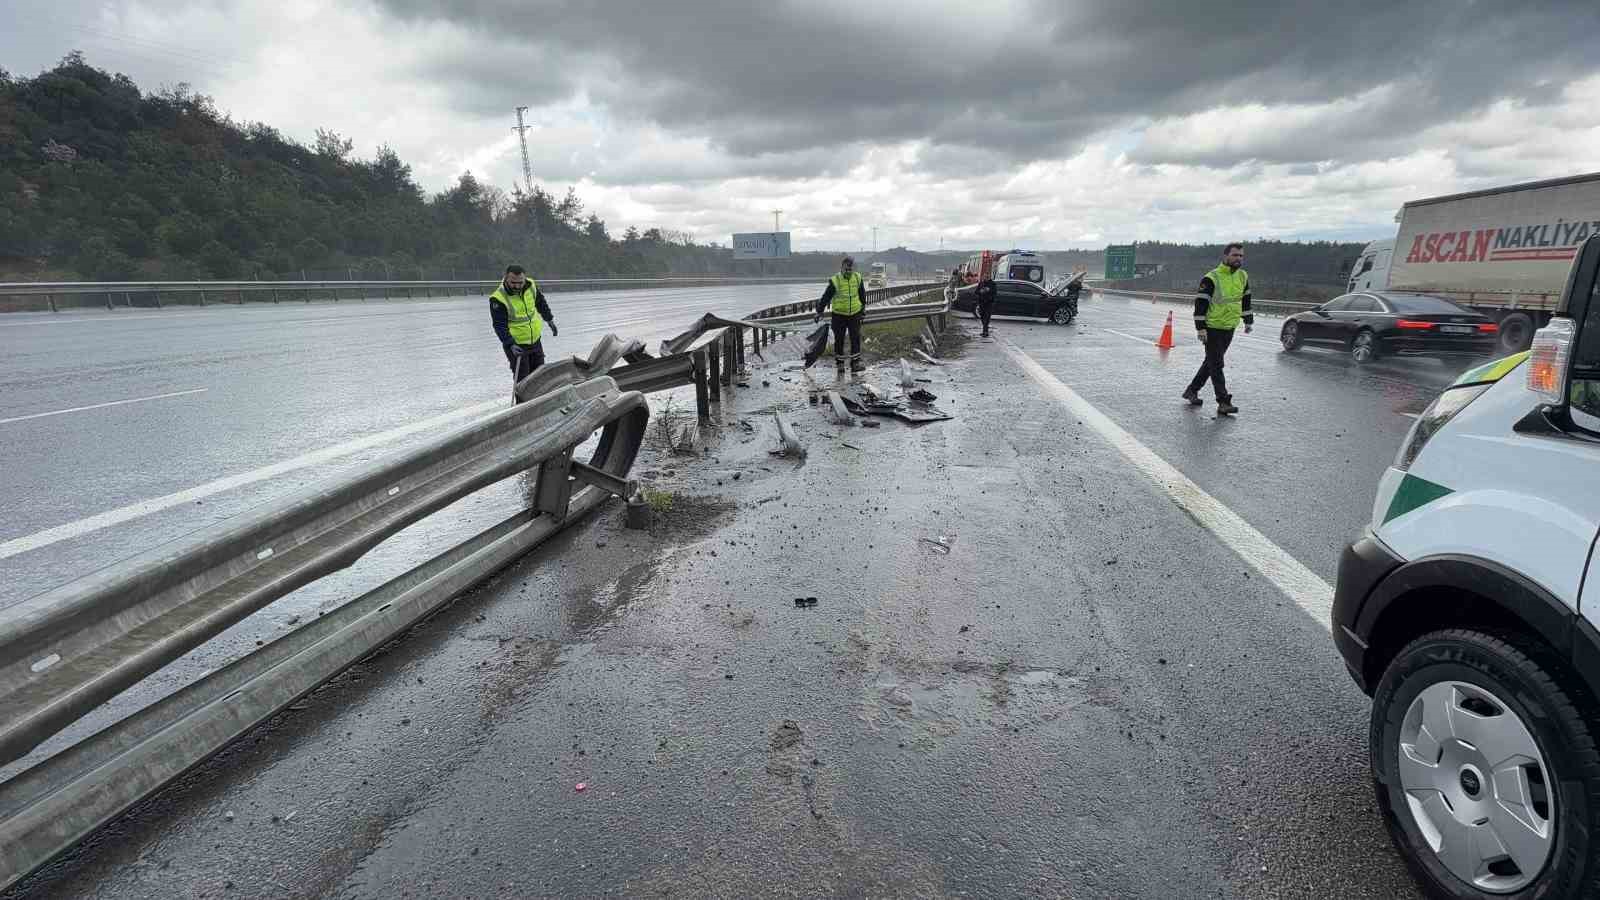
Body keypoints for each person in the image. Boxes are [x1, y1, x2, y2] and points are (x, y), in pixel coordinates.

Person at [1183, 243, 1252, 415]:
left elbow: (1245, 300)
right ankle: (1223, 401)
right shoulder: (1211, 278)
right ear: (1226, 256)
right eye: (1235, 255)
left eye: (1241, 256)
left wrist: (1248, 320)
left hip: (1229, 326)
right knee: (1217, 364)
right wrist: (1200, 328)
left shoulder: (1243, 276)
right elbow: (1200, 305)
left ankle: (1192, 390)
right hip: (1212, 327)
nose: (1238, 259)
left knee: (1211, 363)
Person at [489, 264, 558, 388]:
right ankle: (522, 405)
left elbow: (540, 302)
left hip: (535, 340)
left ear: (524, 279)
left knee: (540, 377)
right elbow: (499, 325)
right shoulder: (498, 298)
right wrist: (510, 344)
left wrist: (549, 319)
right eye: (513, 282)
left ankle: (541, 404)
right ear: (506, 278)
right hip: (517, 346)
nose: (517, 286)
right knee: (523, 382)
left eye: (520, 282)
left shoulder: (530, 285)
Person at [814, 256, 867, 373]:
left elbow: (862, 295)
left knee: (855, 338)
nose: (848, 271)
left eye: (850, 269)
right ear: (842, 268)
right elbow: (826, 297)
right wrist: (819, 311)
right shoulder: (835, 280)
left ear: (853, 269)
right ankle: (840, 365)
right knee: (839, 339)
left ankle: (855, 363)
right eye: (846, 269)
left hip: (854, 313)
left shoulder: (857, 278)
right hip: (839, 315)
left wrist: (863, 310)